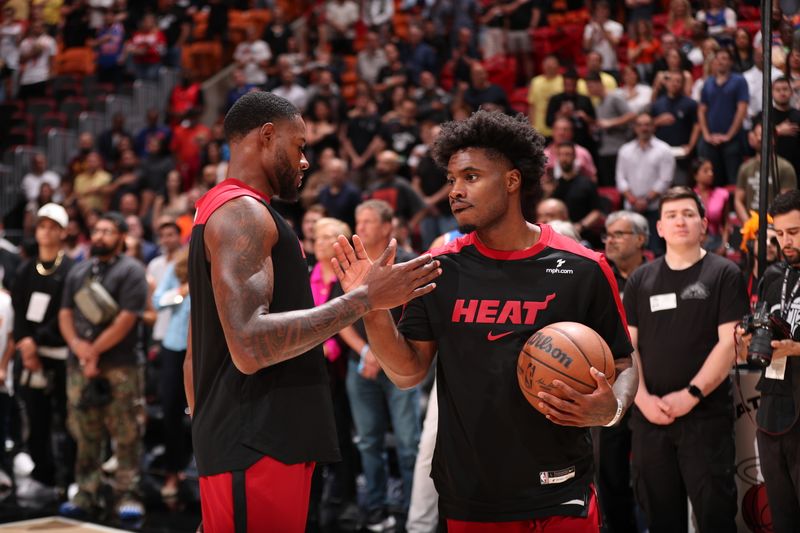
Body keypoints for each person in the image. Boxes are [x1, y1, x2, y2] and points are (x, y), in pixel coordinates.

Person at [333, 110, 638, 531]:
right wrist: (370, 304)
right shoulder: (436, 269)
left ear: (512, 181)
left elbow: (624, 362)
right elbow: (407, 373)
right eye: (452, 180)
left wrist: (613, 407)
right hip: (472, 495)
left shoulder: (584, 267)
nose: (455, 191)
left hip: (561, 488)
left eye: (471, 177)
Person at [183, 91, 440, 532]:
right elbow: (249, 344)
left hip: (251, 440)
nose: (305, 162)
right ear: (267, 136)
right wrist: (364, 299)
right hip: (255, 443)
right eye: (300, 147)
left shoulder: (228, 209)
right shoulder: (241, 213)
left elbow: (196, 349)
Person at [623, 186, 747, 533]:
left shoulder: (724, 274)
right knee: (661, 518)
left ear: (704, 224)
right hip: (649, 419)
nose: (681, 221)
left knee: (715, 516)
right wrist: (643, 399)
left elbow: (729, 345)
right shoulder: (640, 279)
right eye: (672, 215)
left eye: (689, 214)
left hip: (705, 418)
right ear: (659, 227)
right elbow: (629, 347)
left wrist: (690, 394)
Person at [58, 212, 149, 521]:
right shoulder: (79, 271)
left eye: (108, 231)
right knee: (85, 432)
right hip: (79, 364)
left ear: (121, 237)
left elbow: (127, 319)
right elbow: (65, 314)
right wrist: (80, 349)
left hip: (120, 365)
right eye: (96, 230)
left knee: (126, 433)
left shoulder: (132, 271)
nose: (99, 236)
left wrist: (93, 352)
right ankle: (86, 492)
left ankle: (127, 494)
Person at [737, 190, 800, 533]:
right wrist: (747, 339)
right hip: (774, 407)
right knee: (782, 515)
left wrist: (795, 349)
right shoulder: (774, 275)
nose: (785, 241)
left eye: (795, 232)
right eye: (780, 233)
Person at [10, 204, 76, 499]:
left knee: (68, 419)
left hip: (62, 354)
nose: (45, 232)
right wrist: (26, 344)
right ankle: (43, 475)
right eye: (41, 226)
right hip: (31, 356)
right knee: (36, 419)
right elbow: (19, 311)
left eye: (52, 227)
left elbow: (67, 312)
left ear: (63, 232)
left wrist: (39, 340)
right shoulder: (25, 270)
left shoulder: (72, 269)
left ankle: (71, 478)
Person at [595, 210, 650, 533]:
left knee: (650, 476)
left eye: (619, 234)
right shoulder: (600, 279)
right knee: (611, 474)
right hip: (615, 386)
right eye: (607, 234)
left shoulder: (658, 275)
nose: (610, 240)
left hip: (654, 388)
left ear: (641, 239)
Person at [152, 248, 190, 499]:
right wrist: (181, 291)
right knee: (171, 413)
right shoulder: (179, 267)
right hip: (176, 346)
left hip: (210, 350)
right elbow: (157, 301)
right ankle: (172, 472)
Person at [616, 113, 676, 255]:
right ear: (635, 128)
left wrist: (646, 200)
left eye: (647, 124)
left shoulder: (664, 150)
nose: (644, 128)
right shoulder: (625, 150)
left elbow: (665, 180)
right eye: (640, 125)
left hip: (655, 208)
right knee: (629, 249)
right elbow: (620, 179)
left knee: (655, 250)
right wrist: (632, 199)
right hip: (631, 208)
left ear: (653, 127)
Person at [697, 48, 749, 186]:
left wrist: (729, 135)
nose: (720, 62)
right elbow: (702, 110)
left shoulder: (739, 81)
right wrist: (706, 135)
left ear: (730, 62)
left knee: (734, 180)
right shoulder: (708, 82)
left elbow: (742, 109)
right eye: (718, 59)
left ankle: (733, 208)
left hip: (732, 140)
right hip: (711, 141)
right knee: (713, 180)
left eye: (724, 58)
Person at [733, 122, 797, 225]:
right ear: (751, 138)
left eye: (763, 134)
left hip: (775, 225)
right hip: (751, 225)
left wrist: (774, 224)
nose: (759, 138)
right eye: (757, 134)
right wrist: (749, 224)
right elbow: (738, 200)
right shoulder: (745, 168)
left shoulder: (785, 168)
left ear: (773, 139)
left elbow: (788, 203)